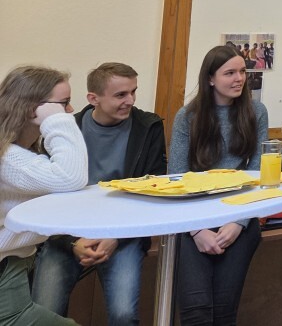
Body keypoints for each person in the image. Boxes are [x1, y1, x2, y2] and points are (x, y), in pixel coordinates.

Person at [32, 62, 166, 325]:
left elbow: (153, 190)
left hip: (123, 232)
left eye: (133, 92)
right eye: (121, 95)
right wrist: (73, 242)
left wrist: (115, 236)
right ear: (93, 99)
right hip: (68, 233)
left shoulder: (148, 127)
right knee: (44, 311)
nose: (131, 101)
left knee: (124, 314)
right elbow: (48, 195)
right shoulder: (65, 130)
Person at [168, 45, 268, 325]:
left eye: (242, 72)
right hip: (193, 218)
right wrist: (197, 229)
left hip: (238, 215)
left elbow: (257, 171)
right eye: (229, 73)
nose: (239, 79)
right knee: (196, 311)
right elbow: (176, 177)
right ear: (210, 78)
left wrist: (239, 222)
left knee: (224, 312)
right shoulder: (188, 116)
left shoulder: (256, 111)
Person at [0, 66, 88, 326]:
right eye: (64, 103)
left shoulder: (18, 152)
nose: (70, 110)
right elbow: (70, 177)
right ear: (32, 109)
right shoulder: (7, 159)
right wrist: (57, 121)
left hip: (17, 260)